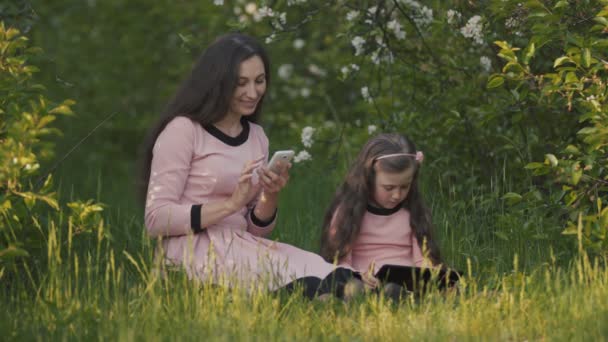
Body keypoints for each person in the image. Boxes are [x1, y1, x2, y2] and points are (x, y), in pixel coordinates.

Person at [139, 33, 360, 300]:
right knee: (308, 289)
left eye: (259, 81)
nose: (253, 92)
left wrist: (271, 193)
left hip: (243, 244)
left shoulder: (256, 136)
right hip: (194, 250)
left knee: (339, 278)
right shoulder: (183, 130)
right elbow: (155, 219)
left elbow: (256, 229)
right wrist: (230, 205)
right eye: (241, 83)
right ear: (218, 82)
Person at [319, 133, 445, 301]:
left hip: (406, 284)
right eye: (388, 187)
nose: (397, 195)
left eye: (405, 186)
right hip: (364, 282)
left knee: (406, 290)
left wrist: (433, 275)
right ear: (369, 178)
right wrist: (359, 275)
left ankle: (401, 298)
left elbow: (423, 260)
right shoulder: (349, 212)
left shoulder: (414, 212)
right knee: (352, 289)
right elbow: (340, 262)